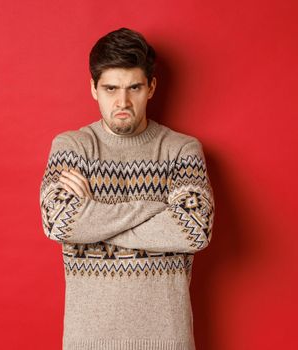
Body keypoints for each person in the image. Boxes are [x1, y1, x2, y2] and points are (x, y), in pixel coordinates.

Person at [39, 27, 215, 350]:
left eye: (134, 87)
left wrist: (95, 220)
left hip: (168, 341)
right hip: (87, 342)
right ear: (93, 88)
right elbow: (58, 221)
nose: (122, 101)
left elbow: (194, 229)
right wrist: (156, 208)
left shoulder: (181, 150)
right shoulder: (72, 148)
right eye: (110, 88)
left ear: (151, 87)